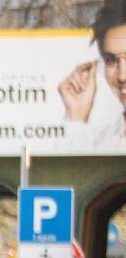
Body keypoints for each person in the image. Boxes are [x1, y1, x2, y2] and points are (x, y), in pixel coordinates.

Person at [58, 0, 126, 150]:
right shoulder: (101, 142)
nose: (122, 76)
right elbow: (72, 171)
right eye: (111, 60)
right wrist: (76, 116)